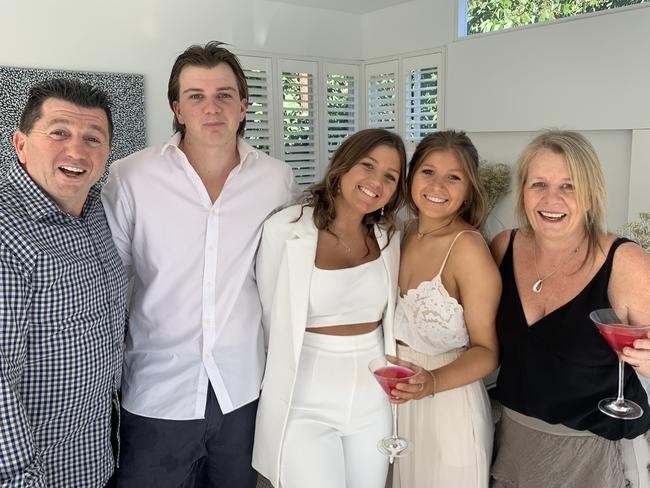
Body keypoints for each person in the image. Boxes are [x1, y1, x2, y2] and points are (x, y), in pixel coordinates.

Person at [101, 41, 300, 487]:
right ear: (177, 108)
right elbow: (108, 281)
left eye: (224, 95)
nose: (212, 108)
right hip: (157, 388)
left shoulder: (276, 179)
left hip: (243, 388)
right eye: (196, 96)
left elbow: (293, 269)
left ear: (244, 105)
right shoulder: (131, 176)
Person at [489, 130, 650, 488]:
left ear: (592, 195)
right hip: (515, 442)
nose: (551, 198)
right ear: (523, 191)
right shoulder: (504, 247)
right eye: (539, 184)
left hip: (594, 452)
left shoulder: (626, 262)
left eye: (569, 186)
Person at [251, 128, 407, 488]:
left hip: (373, 403)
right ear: (342, 166)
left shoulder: (390, 236)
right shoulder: (285, 229)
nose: (376, 182)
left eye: (390, 176)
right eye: (367, 166)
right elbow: (268, 318)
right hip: (304, 401)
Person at [0, 78, 126, 486]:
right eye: (59, 133)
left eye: (93, 137)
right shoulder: (7, 233)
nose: (76, 151)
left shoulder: (98, 213)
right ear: (21, 145)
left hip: (98, 456)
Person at [385, 130, 500, 487]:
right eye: (428, 172)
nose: (438, 185)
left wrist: (431, 383)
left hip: (448, 403)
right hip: (397, 403)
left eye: (454, 177)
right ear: (411, 176)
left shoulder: (468, 249)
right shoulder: (399, 232)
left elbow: (487, 353)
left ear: (469, 189)